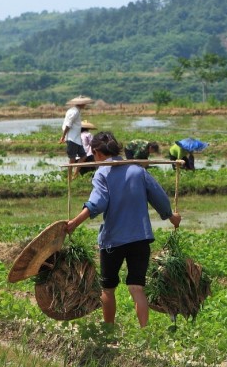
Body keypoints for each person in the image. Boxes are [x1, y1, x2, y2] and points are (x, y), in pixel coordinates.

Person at [65, 131, 182, 328]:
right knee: (137, 288)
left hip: (113, 241)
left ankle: (109, 330)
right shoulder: (137, 170)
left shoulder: (103, 173)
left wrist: (74, 223)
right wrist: (172, 217)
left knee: (108, 289)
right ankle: (144, 332)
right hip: (140, 239)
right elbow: (159, 198)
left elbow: (98, 203)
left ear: (96, 152)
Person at [59, 95, 93, 169]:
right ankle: (70, 177)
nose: (85, 105)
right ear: (81, 104)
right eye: (84, 103)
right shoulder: (74, 112)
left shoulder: (76, 110)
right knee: (72, 159)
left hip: (77, 139)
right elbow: (68, 125)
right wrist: (63, 136)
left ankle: (75, 174)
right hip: (72, 138)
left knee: (83, 156)